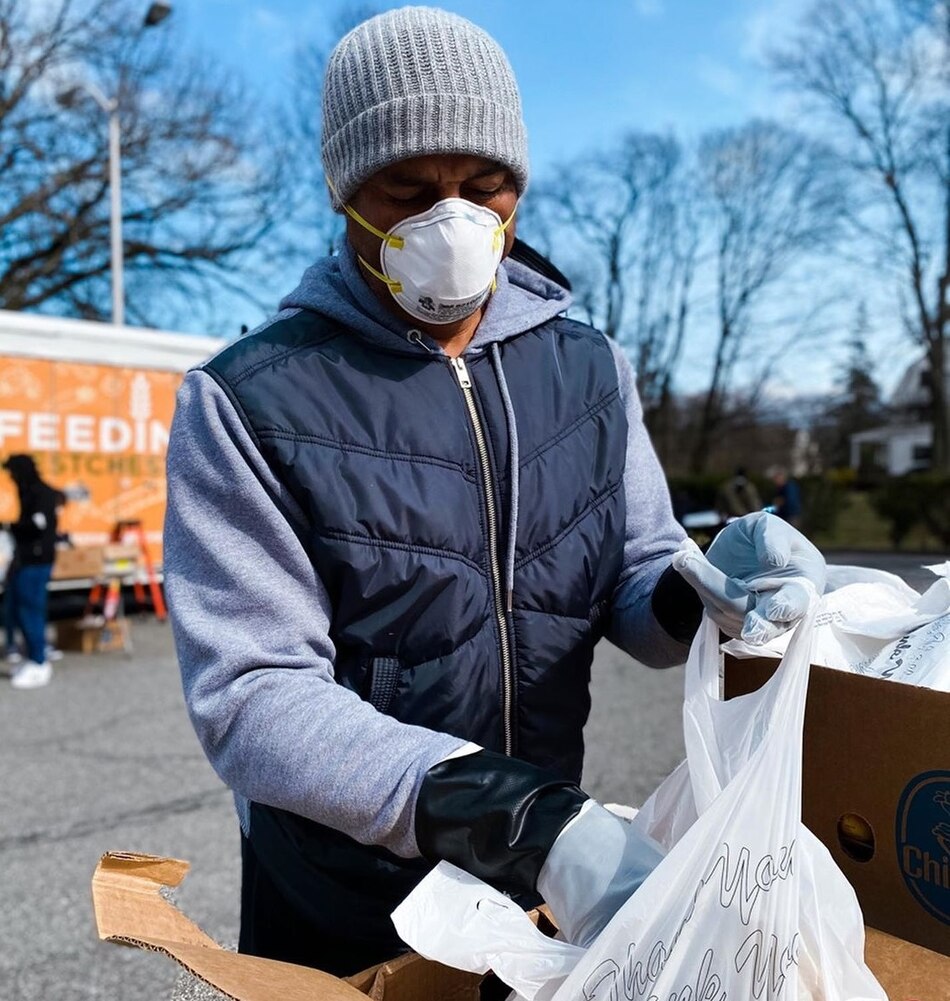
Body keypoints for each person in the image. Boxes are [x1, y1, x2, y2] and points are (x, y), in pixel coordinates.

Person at [163, 6, 826, 976]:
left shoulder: (589, 368)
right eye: (408, 190)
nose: (453, 220)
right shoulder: (250, 397)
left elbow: (634, 570)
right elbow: (252, 692)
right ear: (346, 192)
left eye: (484, 187)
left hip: (542, 884)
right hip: (342, 887)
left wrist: (700, 590)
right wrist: (514, 816)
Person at [2, 454, 65, 689]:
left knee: (30, 610)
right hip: (25, 561)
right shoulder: (29, 491)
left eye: (13, 473)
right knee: (17, 609)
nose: (11, 478)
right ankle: (32, 657)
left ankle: (39, 662)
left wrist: (10, 526)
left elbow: (39, 526)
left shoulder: (40, 493)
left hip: (36, 562)